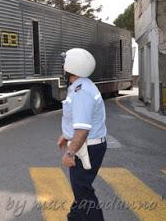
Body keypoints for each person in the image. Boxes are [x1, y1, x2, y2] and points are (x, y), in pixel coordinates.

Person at [57, 48, 107, 221]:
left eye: (64, 63)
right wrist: (66, 135)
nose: (62, 67)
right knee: (81, 190)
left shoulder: (81, 91)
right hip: (88, 144)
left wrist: (70, 152)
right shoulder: (81, 86)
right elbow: (78, 121)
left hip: (87, 148)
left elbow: (83, 129)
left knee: (83, 191)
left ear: (73, 65)